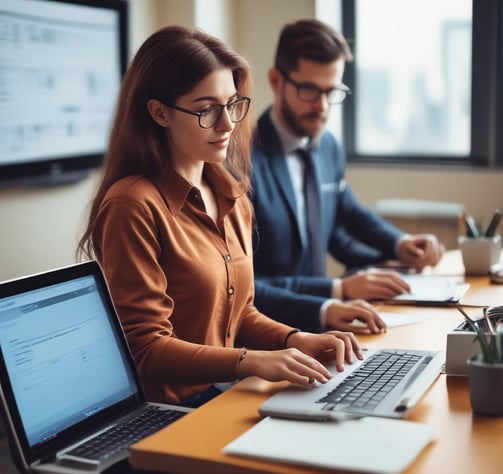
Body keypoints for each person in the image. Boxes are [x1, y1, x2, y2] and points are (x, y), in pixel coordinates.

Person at [77, 25, 363, 409]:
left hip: (227, 394)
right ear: (159, 112)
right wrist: (252, 361)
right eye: (206, 110)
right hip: (174, 411)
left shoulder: (231, 192)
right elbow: (147, 348)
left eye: (232, 104)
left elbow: (240, 313)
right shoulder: (133, 205)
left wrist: (294, 339)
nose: (228, 123)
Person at [251, 19, 445, 334]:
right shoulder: (244, 159)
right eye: (309, 89)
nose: (322, 106)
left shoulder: (327, 146)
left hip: (327, 329)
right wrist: (339, 290)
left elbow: (346, 217)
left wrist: (400, 245)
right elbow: (246, 285)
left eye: (332, 91)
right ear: (276, 81)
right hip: (271, 333)